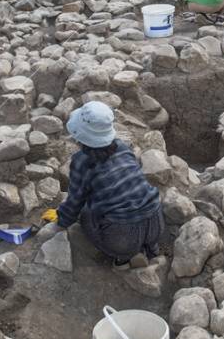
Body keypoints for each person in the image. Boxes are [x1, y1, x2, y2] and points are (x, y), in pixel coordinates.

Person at [41, 102, 163, 269]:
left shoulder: (81, 161)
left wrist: (61, 218)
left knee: (86, 214)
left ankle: (124, 259)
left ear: (80, 134)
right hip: (156, 221)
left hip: (123, 237)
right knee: (122, 208)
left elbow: (75, 203)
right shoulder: (123, 147)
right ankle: (151, 248)